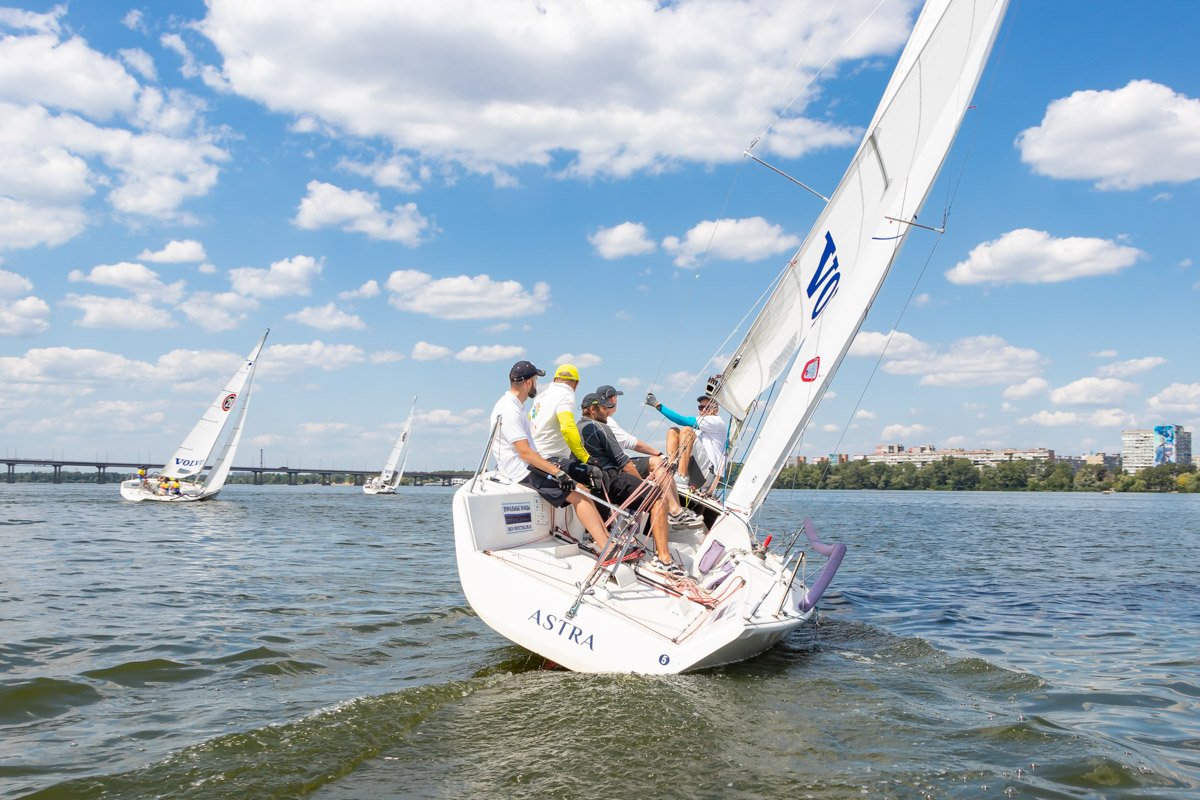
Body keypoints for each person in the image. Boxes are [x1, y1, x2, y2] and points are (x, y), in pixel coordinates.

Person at [490, 360, 614, 552]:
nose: (537, 385)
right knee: (578, 494)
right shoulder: (510, 409)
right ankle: (607, 549)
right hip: (521, 471)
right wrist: (558, 473)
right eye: (536, 380)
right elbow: (524, 452)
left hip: (525, 466)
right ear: (529, 382)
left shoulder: (516, 405)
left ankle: (606, 539)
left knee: (582, 489)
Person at [579, 393, 685, 577]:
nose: (607, 412)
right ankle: (664, 560)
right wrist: (643, 484)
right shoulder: (601, 428)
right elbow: (624, 462)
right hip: (612, 480)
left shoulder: (576, 427)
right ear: (593, 409)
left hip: (594, 484)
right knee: (658, 498)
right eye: (603, 408)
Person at [595, 384, 703, 528]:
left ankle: (677, 511)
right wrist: (659, 454)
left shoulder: (601, 420)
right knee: (659, 463)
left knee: (660, 462)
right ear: (613, 399)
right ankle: (675, 511)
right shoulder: (608, 421)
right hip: (617, 466)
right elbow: (632, 443)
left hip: (609, 465)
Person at [645, 389, 728, 496]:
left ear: (715, 410)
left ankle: (682, 476)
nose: (703, 410)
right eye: (700, 407)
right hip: (695, 470)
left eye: (707, 407)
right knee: (673, 431)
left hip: (705, 475)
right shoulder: (702, 426)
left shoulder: (716, 421)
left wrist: (658, 406)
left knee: (686, 430)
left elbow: (682, 420)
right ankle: (672, 470)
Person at [529, 363, 591, 468]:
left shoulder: (540, 397)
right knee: (596, 474)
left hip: (534, 457)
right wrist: (586, 457)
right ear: (576, 384)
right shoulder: (566, 396)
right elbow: (568, 428)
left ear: (554, 380)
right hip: (552, 458)